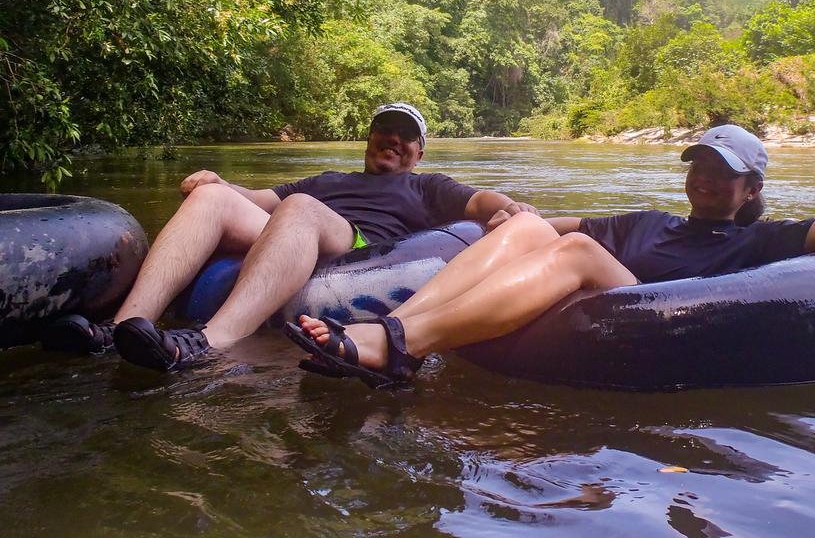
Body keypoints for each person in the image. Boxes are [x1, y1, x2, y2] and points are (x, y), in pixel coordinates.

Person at [287, 124, 815, 388]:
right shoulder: (648, 223)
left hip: (651, 316)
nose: (707, 180)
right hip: (595, 294)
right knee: (536, 230)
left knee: (572, 247)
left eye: (724, 172)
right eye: (701, 166)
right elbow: (546, 224)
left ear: (751, 189)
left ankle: (398, 340)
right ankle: (395, 346)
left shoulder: (759, 240)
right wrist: (510, 215)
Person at [42, 102, 537, 370]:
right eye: (384, 128)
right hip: (300, 230)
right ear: (368, 137)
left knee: (300, 208)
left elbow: (479, 202)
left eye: (406, 135)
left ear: (419, 151)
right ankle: (124, 325)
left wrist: (511, 209)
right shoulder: (326, 181)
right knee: (213, 200)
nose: (394, 139)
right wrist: (217, 182)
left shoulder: (426, 186)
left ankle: (211, 342)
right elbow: (253, 199)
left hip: (362, 249)